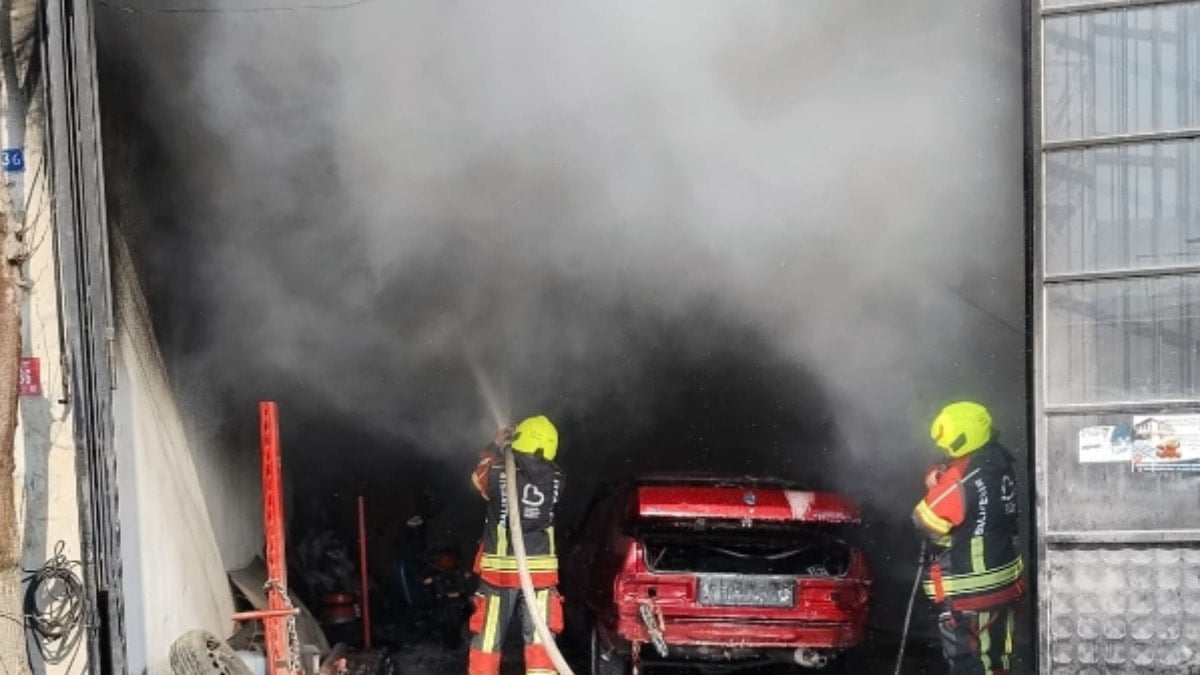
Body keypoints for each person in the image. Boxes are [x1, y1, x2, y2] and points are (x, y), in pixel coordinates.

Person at [912, 401, 1025, 675]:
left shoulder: (961, 477)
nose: (943, 449)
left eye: (946, 443)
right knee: (995, 660)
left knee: (970, 663)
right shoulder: (998, 460)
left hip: (971, 594)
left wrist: (938, 483)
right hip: (1002, 584)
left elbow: (925, 520)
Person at [467, 415, 565, 675]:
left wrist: (494, 447)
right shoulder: (557, 478)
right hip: (541, 574)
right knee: (541, 640)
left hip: (500, 574)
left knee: (488, 638)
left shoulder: (499, 472)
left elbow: (477, 480)